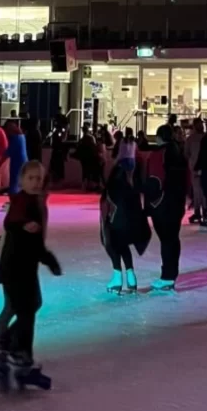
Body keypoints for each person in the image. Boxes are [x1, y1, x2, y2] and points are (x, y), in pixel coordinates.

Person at [0, 160, 62, 387]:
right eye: (31, 178)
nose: (36, 183)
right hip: (16, 269)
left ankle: (7, 348)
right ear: (21, 180)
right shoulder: (24, 202)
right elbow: (12, 220)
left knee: (27, 306)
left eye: (39, 179)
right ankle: (7, 351)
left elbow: (26, 236)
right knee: (21, 309)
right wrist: (22, 226)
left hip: (23, 266)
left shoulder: (35, 202)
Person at [143, 123, 188, 290]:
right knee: (173, 238)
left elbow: (155, 180)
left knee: (166, 240)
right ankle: (171, 273)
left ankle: (167, 276)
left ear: (159, 137)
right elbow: (187, 179)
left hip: (162, 203)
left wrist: (149, 204)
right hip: (177, 202)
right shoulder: (180, 153)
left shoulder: (158, 155)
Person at [101, 164, 151, 293]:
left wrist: (105, 229)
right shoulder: (132, 190)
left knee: (112, 242)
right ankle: (131, 276)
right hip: (132, 229)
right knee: (122, 244)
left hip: (117, 228)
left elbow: (105, 212)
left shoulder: (110, 189)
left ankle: (117, 276)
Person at [184, 118, 205, 224]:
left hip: (195, 168)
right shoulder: (206, 137)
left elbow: (186, 154)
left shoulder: (190, 139)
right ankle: (204, 212)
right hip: (204, 168)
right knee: (204, 191)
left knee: (197, 191)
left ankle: (198, 211)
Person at [73, 125, 101, 192]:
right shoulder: (91, 138)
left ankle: (85, 185)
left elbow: (78, 147)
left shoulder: (82, 139)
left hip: (84, 158)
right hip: (91, 157)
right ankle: (90, 185)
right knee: (91, 171)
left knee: (85, 171)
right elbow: (94, 147)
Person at [5, 120, 28, 195]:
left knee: (15, 177)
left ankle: (14, 194)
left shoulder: (15, 138)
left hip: (17, 160)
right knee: (22, 178)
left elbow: (10, 150)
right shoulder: (22, 136)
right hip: (24, 159)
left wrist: (3, 153)